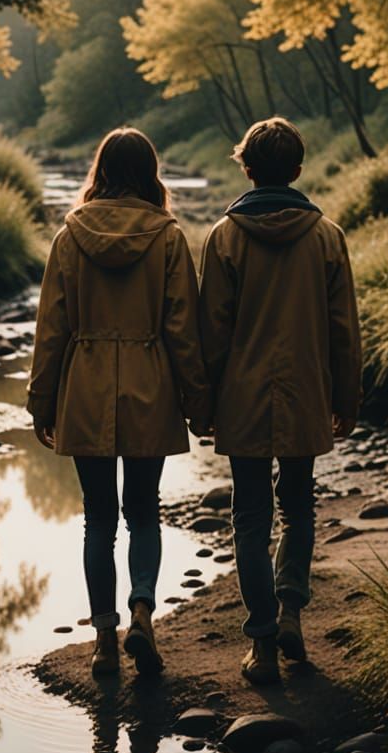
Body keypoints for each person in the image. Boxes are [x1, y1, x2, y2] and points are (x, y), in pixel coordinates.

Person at [27, 127, 211, 678]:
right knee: (144, 511)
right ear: (150, 173)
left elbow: (51, 328)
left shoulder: (69, 237)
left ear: (100, 170)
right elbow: (183, 330)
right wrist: (198, 401)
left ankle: (105, 640)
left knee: (98, 520)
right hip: (149, 384)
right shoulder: (168, 238)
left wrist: (41, 401)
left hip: (84, 387)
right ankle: (143, 612)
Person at [198, 116, 362, 685]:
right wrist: (347, 398)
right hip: (306, 391)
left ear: (246, 168)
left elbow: (211, 334)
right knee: (298, 506)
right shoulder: (327, 237)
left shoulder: (224, 237)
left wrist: (203, 405)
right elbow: (344, 330)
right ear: (297, 169)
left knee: (249, 516)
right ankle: (291, 608)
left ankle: (263, 642)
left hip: (242, 397)